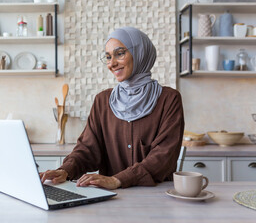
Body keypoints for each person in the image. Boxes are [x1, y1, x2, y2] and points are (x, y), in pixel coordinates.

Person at [40, 27, 184, 189]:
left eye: (120, 53)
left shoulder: (168, 99)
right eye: (108, 57)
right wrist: (65, 170)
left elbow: (164, 156)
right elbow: (87, 149)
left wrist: (118, 179)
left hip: (155, 196)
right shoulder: (103, 100)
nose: (112, 64)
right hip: (111, 196)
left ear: (140, 53)